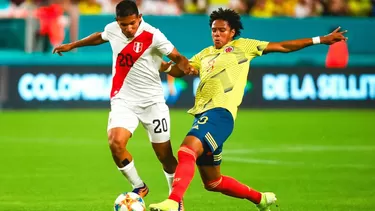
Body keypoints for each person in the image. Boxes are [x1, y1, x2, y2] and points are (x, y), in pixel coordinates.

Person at [149, 8, 347, 211]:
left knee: (187, 150)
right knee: (213, 182)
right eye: (214, 30)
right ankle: (261, 199)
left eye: (222, 30)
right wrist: (161, 65)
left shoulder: (243, 46)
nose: (217, 34)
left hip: (220, 114)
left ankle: (175, 202)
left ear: (232, 31)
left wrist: (320, 40)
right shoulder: (205, 54)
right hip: (204, 115)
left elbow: (283, 46)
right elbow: (181, 71)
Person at [53, 1, 194, 210]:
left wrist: (184, 67)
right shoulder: (113, 30)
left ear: (139, 18)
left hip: (153, 103)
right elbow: (99, 37)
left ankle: (176, 200)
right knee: (115, 143)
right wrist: (72, 45)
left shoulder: (153, 35)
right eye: (123, 25)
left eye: (132, 24)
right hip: (123, 100)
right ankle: (139, 186)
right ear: (117, 22)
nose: (128, 29)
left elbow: (176, 57)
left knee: (164, 155)